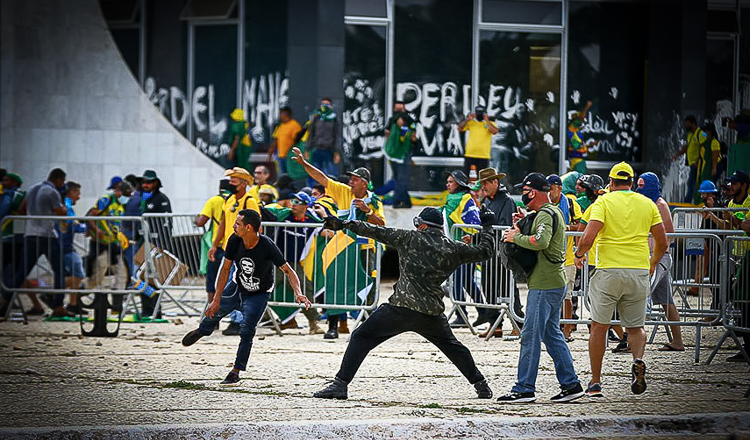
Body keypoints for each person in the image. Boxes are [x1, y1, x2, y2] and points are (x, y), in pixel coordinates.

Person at [312, 207, 496, 400]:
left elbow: (374, 231)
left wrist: (343, 224)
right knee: (454, 348)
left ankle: (340, 385)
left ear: (422, 225)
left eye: (418, 224)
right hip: (431, 312)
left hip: (401, 308)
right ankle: (481, 385)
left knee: (360, 337)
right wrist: (487, 226)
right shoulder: (453, 247)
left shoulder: (409, 238)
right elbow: (485, 251)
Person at [182, 209, 311, 385]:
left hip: (259, 293)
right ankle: (203, 330)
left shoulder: (267, 246)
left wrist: (298, 292)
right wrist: (216, 298)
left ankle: (236, 371)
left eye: (237, 224)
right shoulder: (234, 240)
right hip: (237, 286)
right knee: (214, 311)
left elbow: (288, 271)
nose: (234, 226)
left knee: (247, 330)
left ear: (248, 227)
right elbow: (225, 269)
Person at [574, 162, 668, 397]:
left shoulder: (603, 202)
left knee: (599, 326)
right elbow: (663, 242)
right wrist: (653, 261)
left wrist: (579, 254)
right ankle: (637, 360)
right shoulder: (647, 204)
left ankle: (595, 382)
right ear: (633, 182)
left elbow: (588, 236)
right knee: (636, 328)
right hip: (638, 270)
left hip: (609, 271)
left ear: (611, 182)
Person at [496, 173, 584, 403]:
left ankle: (524, 387)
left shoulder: (546, 214)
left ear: (533, 192)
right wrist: (523, 223)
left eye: (524, 190)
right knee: (552, 334)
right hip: (551, 281)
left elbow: (541, 241)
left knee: (531, 335)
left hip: (545, 285)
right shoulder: (548, 212)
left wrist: (516, 238)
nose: (522, 194)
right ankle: (571, 384)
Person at [291, 146, 385, 338]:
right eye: (351, 179)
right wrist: (303, 163)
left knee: (367, 286)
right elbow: (322, 177)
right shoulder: (344, 192)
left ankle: (365, 326)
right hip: (340, 247)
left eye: (355, 179)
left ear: (364, 184)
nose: (351, 182)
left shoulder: (375, 201)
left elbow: (382, 224)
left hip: (364, 248)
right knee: (335, 284)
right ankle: (333, 326)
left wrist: (367, 211)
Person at [1, 168, 69, 318]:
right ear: (58, 179)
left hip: (30, 234)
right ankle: (58, 305)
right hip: (48, 235)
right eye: (62, 181)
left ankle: (5, 301)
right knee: (59, 270)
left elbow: (21, 209)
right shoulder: (52, 192)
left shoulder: (32, 189)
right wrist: (63, 204)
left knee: (21, 272)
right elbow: (60, 211)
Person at [209, 167, 261, 336]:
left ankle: (238, 322)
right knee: (225, 285)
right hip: (229, 249)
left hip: (244, 251)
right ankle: (230, 319)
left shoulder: (250, 201)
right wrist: (215, 244)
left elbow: (257, 226)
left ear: (244, 183)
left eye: (233, 180)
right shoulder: (229, 199)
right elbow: (223, 224)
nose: (230, 183)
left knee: (238, 287)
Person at [264, 191, 325, 334]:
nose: (293, 205)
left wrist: (323, 215)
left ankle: (313, 323)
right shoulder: (285, 215)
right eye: (293, 200)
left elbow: (327, 227)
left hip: (294, 264)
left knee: (305, 291)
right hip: (276, 262)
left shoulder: (311, 221)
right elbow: (266, 212)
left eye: (298, 202)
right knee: (263, 289)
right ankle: (246, 319)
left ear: (306, 206)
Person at [635, 173, 683, 352]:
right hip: (653, 256)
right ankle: (677, 341)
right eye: (638, 185)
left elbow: (669, 233)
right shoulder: (647, 203)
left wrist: (655, 255)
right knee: (667, 301)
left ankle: (632, 339)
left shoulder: (660, 204)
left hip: (659, 258)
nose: (639, 189)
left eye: (642, 185)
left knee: (641, 295)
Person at [473, 167, 522, 337]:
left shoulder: (506, 201)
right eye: (482, 183)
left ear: (495, 182)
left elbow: (504, 225)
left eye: (487, 182)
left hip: (503, 252)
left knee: (508, 288)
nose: (484, 186)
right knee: (489, 288)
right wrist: (474, 238)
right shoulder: (486, 201)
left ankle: (518, 323)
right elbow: (485, 227)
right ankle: (495, 324)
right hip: (488, 253)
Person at [440, 170, 482, 327]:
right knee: (467, 282)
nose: (447, 184)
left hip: (462, 248)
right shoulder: (465, 198)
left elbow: (444, 215)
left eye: (450, 181)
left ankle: (461, 315)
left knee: (457, 280)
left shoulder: (458, 199)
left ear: (458, 183)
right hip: (468, 247)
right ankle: (485, 311)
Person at [85, 180, 133, 313]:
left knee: (122, 274)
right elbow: (91, 216)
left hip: (113, 245)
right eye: (125, 194)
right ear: (118, 191)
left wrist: (120, 235)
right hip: (100, 244)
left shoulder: (120, 206)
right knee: (97, 276)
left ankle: (116, 308)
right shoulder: (106, 200)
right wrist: (96, 230)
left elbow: (115, 224)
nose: (127, 198)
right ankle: (79, 295)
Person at [547, 174, 581, 342]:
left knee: (566, 295)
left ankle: (567, 327)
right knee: (548, 293)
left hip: (566, 256)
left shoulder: (569, 203)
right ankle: (552, 326)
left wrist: (566, 227)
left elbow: (581, 225)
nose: (549, 192)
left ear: (559, 188)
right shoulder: (543, 203)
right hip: (547, 256)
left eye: (551, 188)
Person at [139, 170, 172, 317]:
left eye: (149, 182)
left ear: (156, 183)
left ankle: (154, 310)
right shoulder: (139, 198)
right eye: (144, 181)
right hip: (140, 244)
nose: (146, 185)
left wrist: (162, 245)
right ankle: (146, 309)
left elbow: (167, 223)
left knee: (154, 279)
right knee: (139, 278)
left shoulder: (161, 199)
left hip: (155, 245)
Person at [195, 178, 232, 304]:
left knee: (212, 280)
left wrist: (197, 218)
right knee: (230, 279)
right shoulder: (234, 201)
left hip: (217, 246)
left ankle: (212, 308)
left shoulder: (214, 200)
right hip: (232, 246)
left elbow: (201, 222)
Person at [58, 181, 87, 315]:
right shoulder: (67, 205)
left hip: (64, 244)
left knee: (73, 274)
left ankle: (73, 304)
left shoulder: (64, 203)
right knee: (78, 274)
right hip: (64, 245)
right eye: (78, 193)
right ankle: (51, 292)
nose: (79, 197)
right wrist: (88, 227)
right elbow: (72, 224)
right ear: (71, 192)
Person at [381, 101, 417, 208]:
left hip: (404, 153)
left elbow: (413, 135)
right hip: (394, 154)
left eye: (400, 110)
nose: (399, 114)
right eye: (397, 110)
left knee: (402, 178)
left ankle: (399, 200)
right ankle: (403, 200)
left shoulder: (410, 120)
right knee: (398, 178)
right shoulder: (391, 120)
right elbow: (387, 133)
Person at [671, 115, 705, 204]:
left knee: (693, 183)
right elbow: (687, 147)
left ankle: (690, 201)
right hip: (692, 163)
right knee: (691, 183)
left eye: (688, 124)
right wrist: (676, 155)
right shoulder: (690, 134)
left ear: (693, 123)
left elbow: (704, 147)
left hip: (698, 164)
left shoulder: (701, 133)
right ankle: (689, 201)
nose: (686, 127)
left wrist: (698, 160)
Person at [306, 98, 341, 178]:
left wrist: (337, 152)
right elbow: (311, 133)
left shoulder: (333, 118)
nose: (324, 106)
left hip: (329, 150)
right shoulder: (317, 117)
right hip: (317, 148)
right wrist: (308, 149)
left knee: (331, 173)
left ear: (331, 106)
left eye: (327, 104)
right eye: (323, 104)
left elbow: (337, 135)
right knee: (315, 173)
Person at [459, 105, 498, 175]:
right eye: (478, 113)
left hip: (483, 155)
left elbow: (494, 131)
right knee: (465, 175)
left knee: (482, 177)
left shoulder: (490, 123)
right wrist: (468, 119)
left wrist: (487, 120)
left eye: (481, 113)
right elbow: (460, 128)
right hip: (470, 153)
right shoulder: (471, 123)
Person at [267, 106, 302, 175]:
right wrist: (270, 152)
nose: (280, 116)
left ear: (286, 114)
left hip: (290, 156)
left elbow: (297, 141)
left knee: (290, 175)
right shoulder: (281, 126)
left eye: (281, 114)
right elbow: (276, 140)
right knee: (281, 175)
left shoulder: (295, 125)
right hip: (280, 155)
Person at [566, 101, 594, 173]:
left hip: (578, 159)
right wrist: (587, 107)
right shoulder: (571, 130)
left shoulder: (577, 131)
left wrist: (590, 145)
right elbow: (581, 117)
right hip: (576, 161)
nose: (581, 121)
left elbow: (579, 146)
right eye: (578, 119)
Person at [698, 124, 722, 188]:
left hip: (713, 166)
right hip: (706, 166)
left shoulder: (714, 142)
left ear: (709, 132)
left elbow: (715, 154)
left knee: (710, 185)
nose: (703, 133)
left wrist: (714, 168)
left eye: (705, 132)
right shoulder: (706, 142)